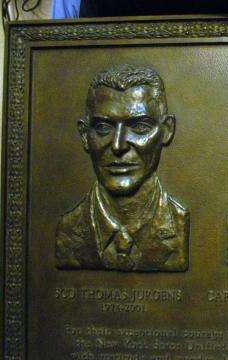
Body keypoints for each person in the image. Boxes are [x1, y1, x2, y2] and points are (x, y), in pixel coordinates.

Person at [56, 64, 189, 271]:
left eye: (139, 127)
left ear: (167, 130)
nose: (119, 146)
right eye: (103, 128)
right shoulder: (67, 229)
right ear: (84, 135)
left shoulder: (180, 222)